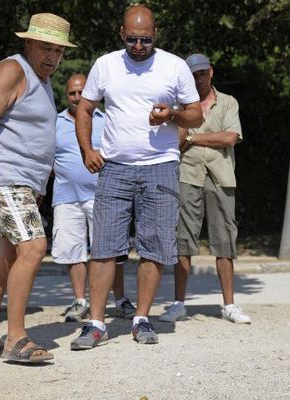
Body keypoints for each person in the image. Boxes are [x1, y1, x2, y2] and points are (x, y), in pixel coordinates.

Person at [71, 4, 203, 350]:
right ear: (121, 34)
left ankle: (141, 318)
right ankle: (97, 323)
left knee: (155, 245)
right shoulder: (106, 65)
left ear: (155, 34)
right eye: (132, 39)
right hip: (115, 167)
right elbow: (85, 108)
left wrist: (172, 114)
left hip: (161, 165)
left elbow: (195, 116)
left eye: (145, 40)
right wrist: (87, 149)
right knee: (103, 246)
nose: (139, 46)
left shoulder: (174, 66)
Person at [0, 13, 76, 363]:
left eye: (59, 51)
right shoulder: (13, 69)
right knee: (34, 247)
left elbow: (30, 139)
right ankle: (16, 337)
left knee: (4, 259)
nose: (53, 57)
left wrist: (38, 184)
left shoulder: (40, 80)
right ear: (27, 43)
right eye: (46, 48)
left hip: (22, 183)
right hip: (3, 178)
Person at [159, 54, 250, 324]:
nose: (198, 78)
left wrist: (193, 137)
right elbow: (175, 142)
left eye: (201, 73)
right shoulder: (179, 107)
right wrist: (194, 138)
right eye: (193, 74)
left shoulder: (228, 102)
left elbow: (230, 137)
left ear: (210, 72)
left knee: (225, 242)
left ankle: (229, 305)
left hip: (222, 177)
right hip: (187, 176)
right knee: (183, 242)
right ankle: (179, 304)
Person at [51, 73, 136, 322]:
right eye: (72, 93)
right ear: (66, 95)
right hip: (66, 197)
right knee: (73, 252)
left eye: (81, 92)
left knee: (111, 252)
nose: (77, 97)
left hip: (104, 196)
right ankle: (80, 301)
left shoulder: (106, 119)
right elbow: (47, 160)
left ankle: (119, 300)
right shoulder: (54, 123)